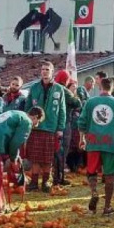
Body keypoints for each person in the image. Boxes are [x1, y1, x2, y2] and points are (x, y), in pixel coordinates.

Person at [0, 107, 44, 220]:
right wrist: (13, 159)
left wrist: (13, 156)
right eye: (37, 123)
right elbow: (16, 143)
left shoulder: (18, 113)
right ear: (36, 117)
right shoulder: (27, 121)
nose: (35, 126)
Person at [77, 77, 114, 216]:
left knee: (91, 171)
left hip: (93, 142)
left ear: (100, 87)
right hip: (110, 143)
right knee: (109, 175)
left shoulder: (90, 102)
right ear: (112, 88)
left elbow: (82, 123)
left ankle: (94, 191)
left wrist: (81, 139)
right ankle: (107, 207)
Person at [25, 61, 66, 192]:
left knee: (48, 158)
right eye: (42, 69)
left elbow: (62, 111)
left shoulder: (59, 89)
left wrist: (60, 128)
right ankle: (34, 182)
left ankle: (45, 183)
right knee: (35, 157)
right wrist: (27, 123)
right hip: (35, 127)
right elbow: (27, 107)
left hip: (51, 128)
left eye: (47, 69)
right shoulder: (34, 87)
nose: (44, 71)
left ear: (52, 71)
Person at [53, 70, 81, 186]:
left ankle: (54, 177)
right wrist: (74, 94)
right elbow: (77, 103)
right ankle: (59, 178)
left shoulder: (52, 88)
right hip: (65, 123)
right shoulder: (64, 90)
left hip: (53, 124)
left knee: (55, 151)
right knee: (62, 150)